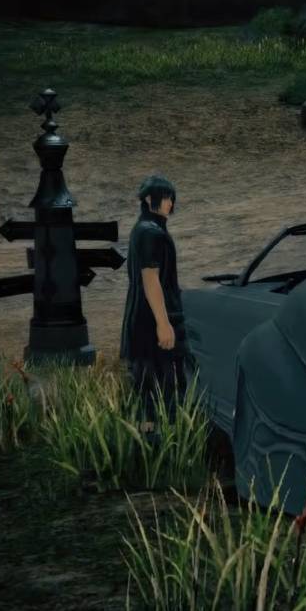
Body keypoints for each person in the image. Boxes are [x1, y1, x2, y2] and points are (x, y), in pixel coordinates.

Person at [120, 174, 188, 437]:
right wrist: (163, 322)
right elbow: (150, 278)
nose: (170, 203)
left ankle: (151, 440)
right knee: (163, 380)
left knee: (149, 380)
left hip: (144, 315)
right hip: (153, 317)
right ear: (150, 199)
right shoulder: (151, 233)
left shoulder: (144, 229)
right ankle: (161, 440)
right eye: (166, 197)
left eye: (171, 198)